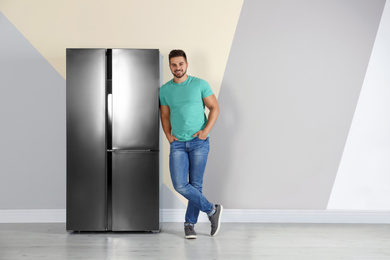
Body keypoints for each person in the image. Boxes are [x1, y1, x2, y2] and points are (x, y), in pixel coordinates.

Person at [159, 49, 223, 239]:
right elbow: (164, 115)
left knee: (195, 184)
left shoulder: (200, 84)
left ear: (186, 64)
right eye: (173, 64)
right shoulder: (165, 90)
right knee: (180, 184)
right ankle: (212, 211)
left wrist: (205, 132)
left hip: (199, 142)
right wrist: (168, 136)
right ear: (169, 66)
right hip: (178, 143)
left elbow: (214, 108)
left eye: (180, 64)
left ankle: (189, 224)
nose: (177, 68)